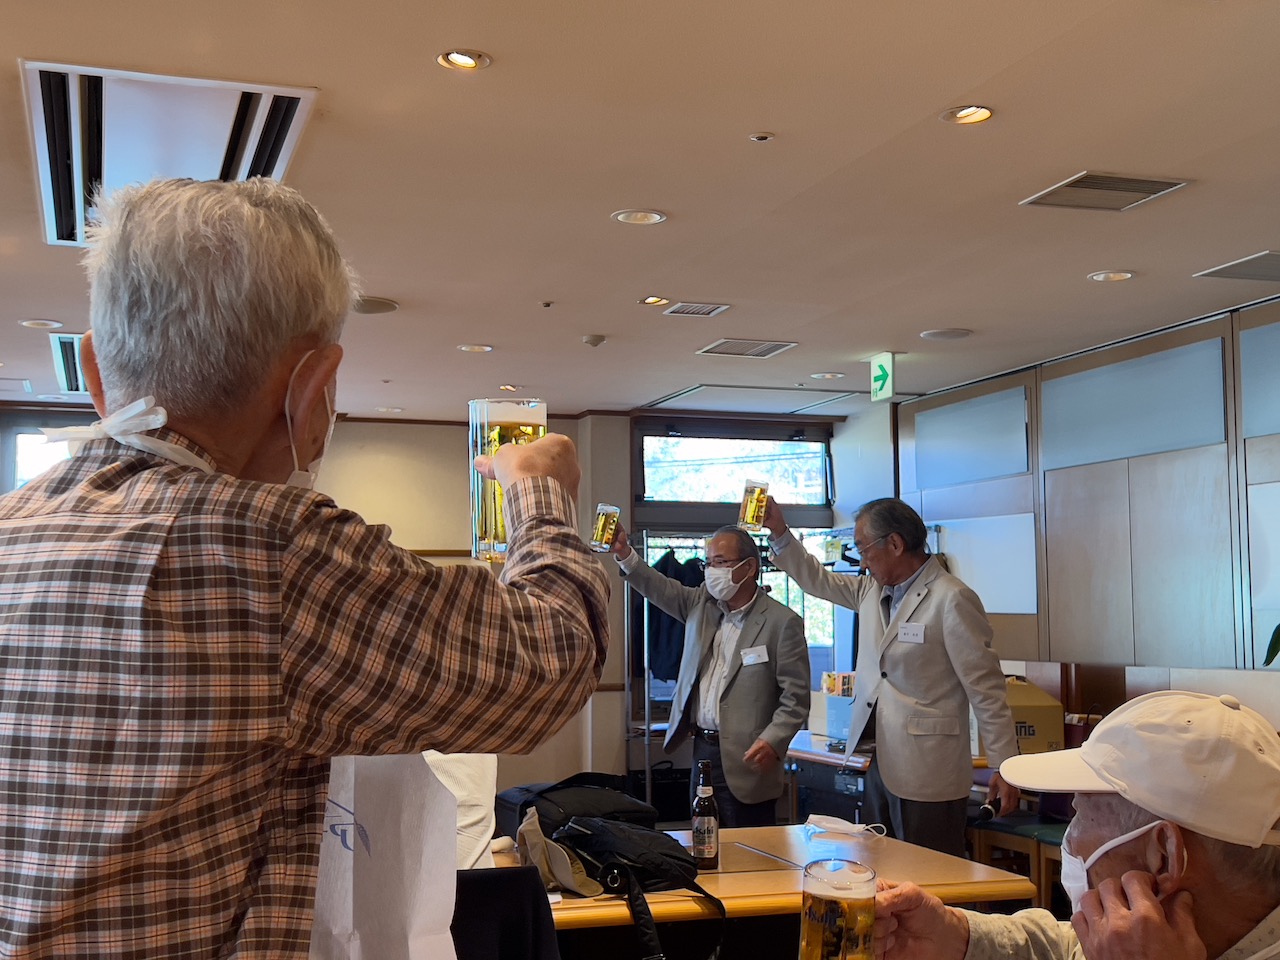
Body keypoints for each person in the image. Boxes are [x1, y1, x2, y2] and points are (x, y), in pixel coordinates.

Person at [0, 178, 609, 958]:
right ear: (313, 388)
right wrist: (540, 494)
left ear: (92, 370)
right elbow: (550, 664)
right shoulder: (269, 552)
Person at [874, 690, 1280, 960]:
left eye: (1081, 815)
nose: (1070, 839)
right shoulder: (1157, 939)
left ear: (1164, 856)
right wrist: (953, 935)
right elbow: (1072, 946)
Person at [764, 496, 1018, 856]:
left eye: (864, 549)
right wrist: (779, 532)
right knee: (880, 865)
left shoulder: (951, 598)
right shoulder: (870, 591)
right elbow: (816, 580)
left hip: (930, 769)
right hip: (880, 761)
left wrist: (1005, 766)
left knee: (930, 872)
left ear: (895, 544)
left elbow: (986, 690)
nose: (862, 560)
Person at [610, 521, 810, 826]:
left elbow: (796, 697)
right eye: (709, 563)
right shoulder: (701, 605)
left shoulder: (782, 623)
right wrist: (625, 554)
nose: (712, 571)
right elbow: (658, 587)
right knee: (704, 840)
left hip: (750, 757)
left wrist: (773, 740)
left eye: (721, 562)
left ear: (749, 567)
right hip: (702, 750)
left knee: (747, 846)